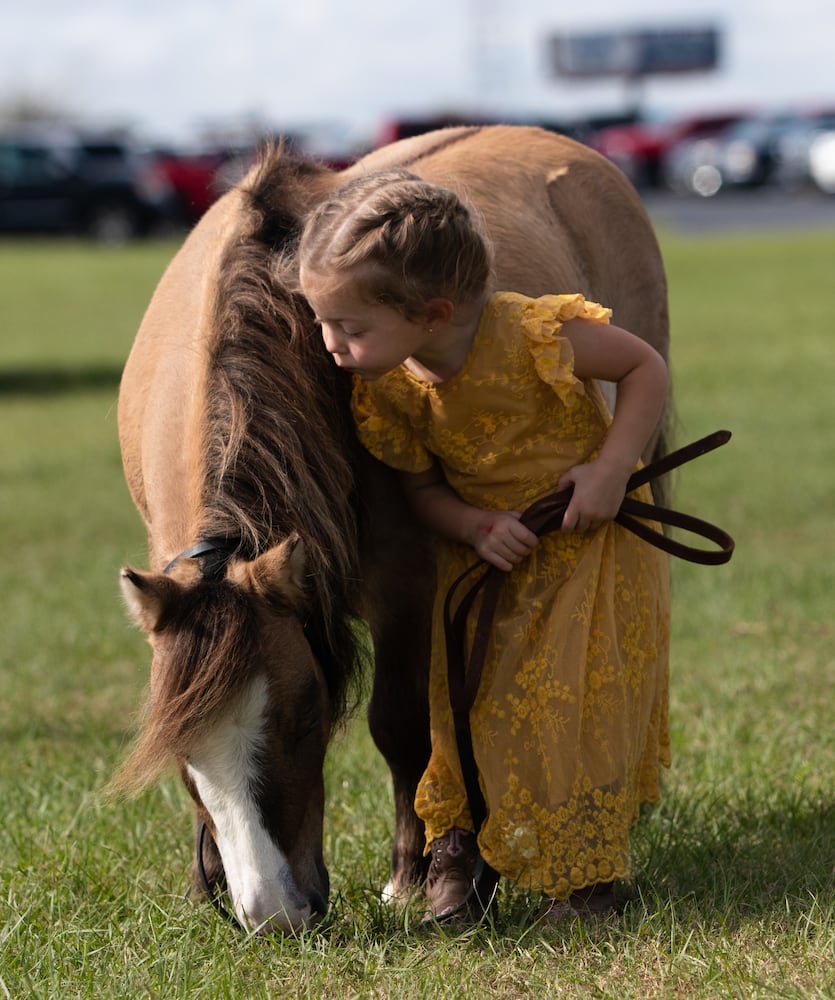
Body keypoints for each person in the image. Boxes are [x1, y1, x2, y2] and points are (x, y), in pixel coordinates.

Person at [297, 169, 671, 926]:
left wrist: (607, 469)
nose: (331, 347)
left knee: (570, 707)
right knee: (466, 707)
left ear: (433, 312)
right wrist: (470, 525)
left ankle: (581, 877)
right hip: (487, 559)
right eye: (323, 323)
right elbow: (421, 490)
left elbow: (643, 368)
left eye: (350, 328)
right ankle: (459, 850)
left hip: (584, 546)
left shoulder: (534, 335)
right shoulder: (391, 388)